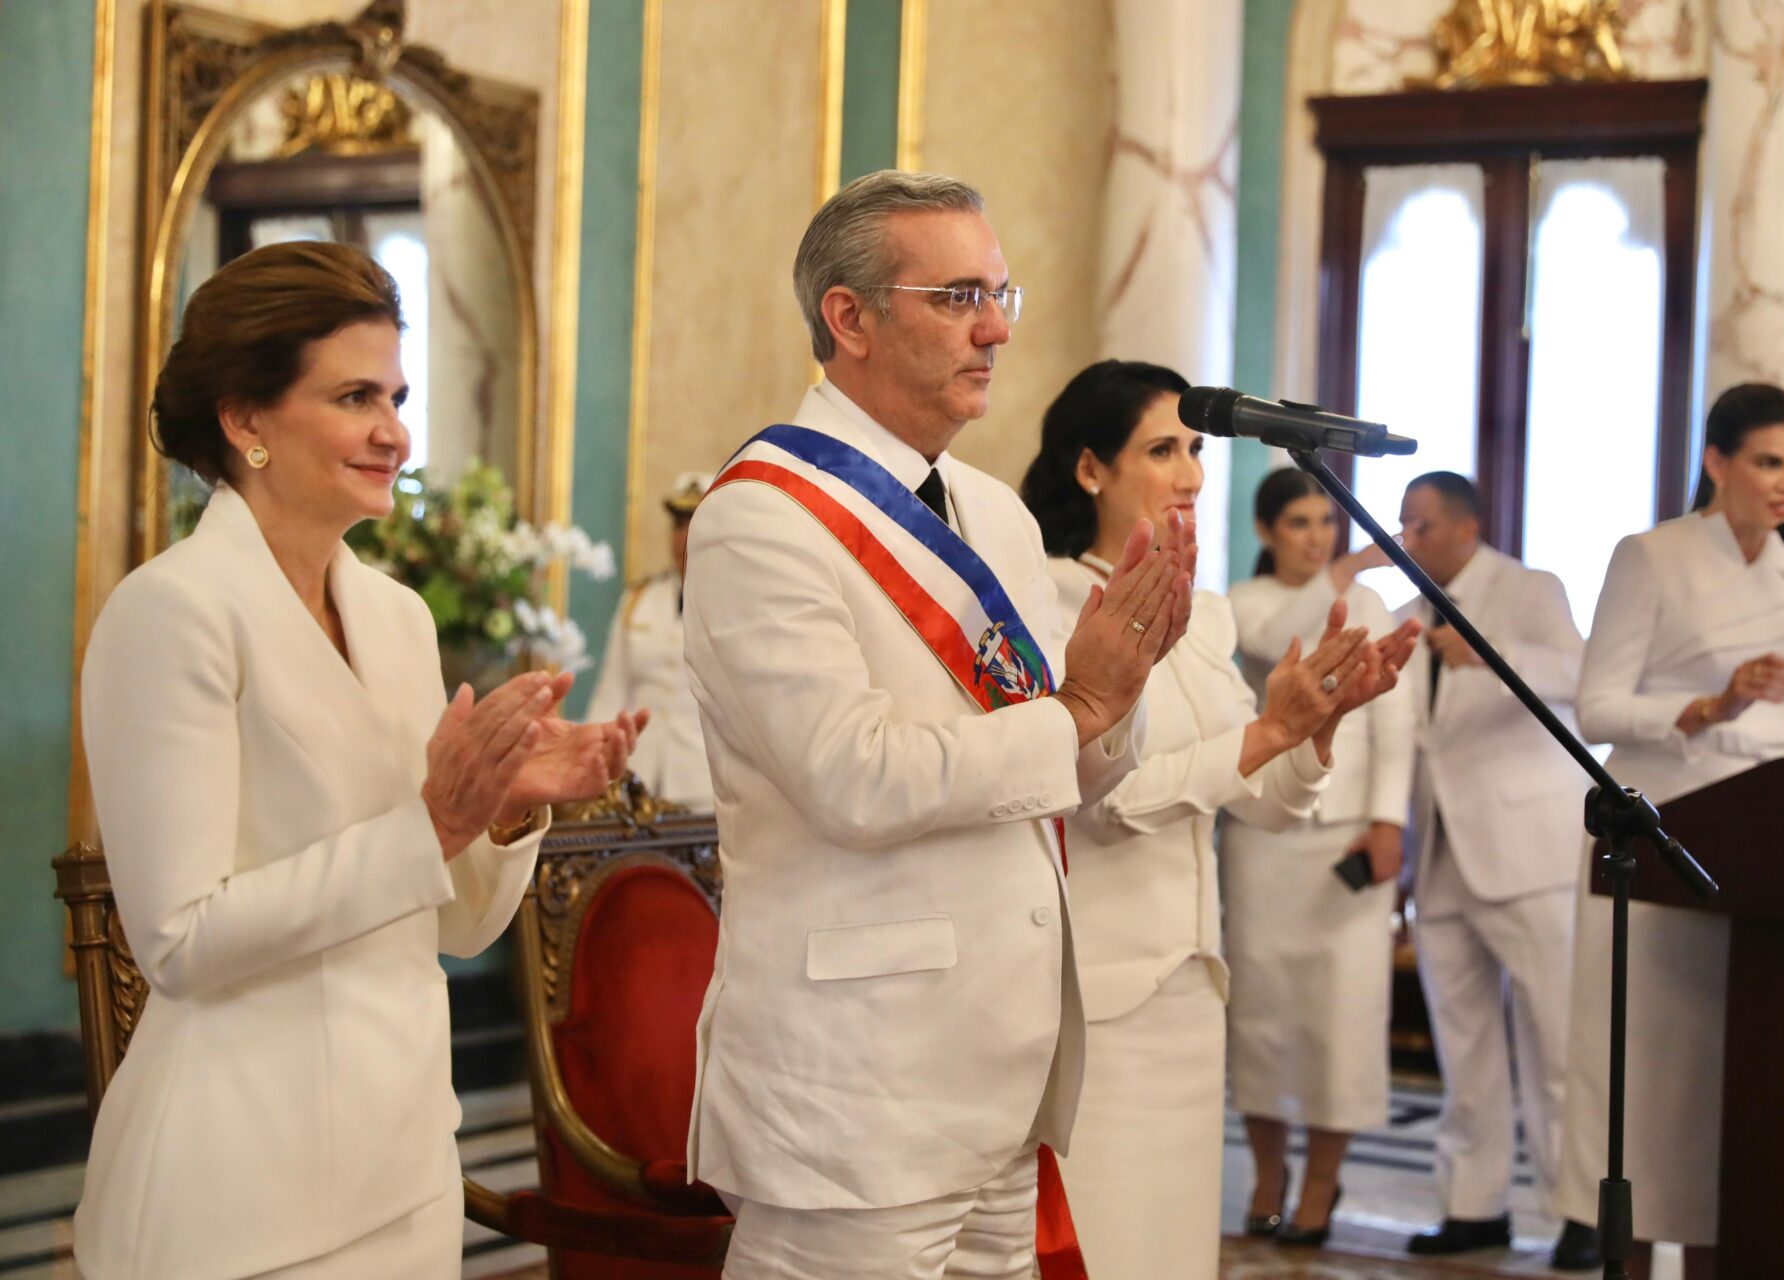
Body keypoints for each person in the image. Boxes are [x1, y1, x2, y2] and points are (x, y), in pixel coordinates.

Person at [73, 241, 642, 1279]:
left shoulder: (397, 616)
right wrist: (427, 823)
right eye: (354, 396)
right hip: (238, 1183)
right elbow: (180, 938)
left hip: (407, 1169)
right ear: (246, 421)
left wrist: (501, 812)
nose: (395, 431)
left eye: (397, 394)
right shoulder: (172, 613)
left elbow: (456, 920)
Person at [680, 171, 1197, 1280]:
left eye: (1001, 291)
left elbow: (1059, 765)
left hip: (1002, 1065)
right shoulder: (761, 518)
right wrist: (1078, 711)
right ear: (850, 317)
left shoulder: (997, 513)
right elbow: (854, 777)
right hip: (858, 1085)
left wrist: (1115, 705)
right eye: (959, 294)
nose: (997, 326)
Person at [1018, 362, 1418, 1280]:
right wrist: (1266, 730)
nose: (1194, 473)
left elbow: (1266, 803)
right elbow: (1101, 801)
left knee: (1177, 1253)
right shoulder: (1043, 598)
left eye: (1197, 449)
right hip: (1100, 993)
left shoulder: (1202, 614)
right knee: (1106, 1245)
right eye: (1163, 450)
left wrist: (1316, 726)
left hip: (1194, 988)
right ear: (1090, 470)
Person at [1556, 384, 1784, 1280]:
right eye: (1767, 462)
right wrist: (1713, 705)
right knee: (1644, 1094)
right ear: (1717, 463)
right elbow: (1596, 702)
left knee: (1737, 1092)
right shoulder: (1649, 555)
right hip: (1659, 836)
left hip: (1762, 850)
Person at [1388, 471, 1598, 1270]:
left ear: (1469, 526)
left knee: (1557, 1041)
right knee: (1463, 1043)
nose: (1410, 538)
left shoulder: (1529, 589)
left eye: (1424, 525)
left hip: (1530, 851)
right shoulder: (1408, 613)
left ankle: (1581, 1209)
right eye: (1403, 526)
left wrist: (1488, 651)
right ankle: (1473, 1207)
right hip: (1440, 855)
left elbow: (1578, 677)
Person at [1222, 467, 1416, 1250]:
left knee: (1344, 1015)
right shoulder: (1239, 605)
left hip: (1347, 839)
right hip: (1265, 838)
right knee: (1264, 1015)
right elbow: (1280, 649)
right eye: (1298, 523)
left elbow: (1397, 724)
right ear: (1268, 531)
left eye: (1325, 523)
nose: (1316, 537)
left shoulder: (1373, 606)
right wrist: (1346, 572)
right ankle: (1268, 1177)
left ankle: (1323, 1185)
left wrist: (1388, 821)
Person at [586, 471, 714, 808]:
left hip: (703, 786)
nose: (683, 537)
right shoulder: (639, 599)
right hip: (637, 783)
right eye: (677, 525)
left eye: (694, 523)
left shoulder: (737, 604)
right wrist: (595, 771)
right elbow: (611, 694)